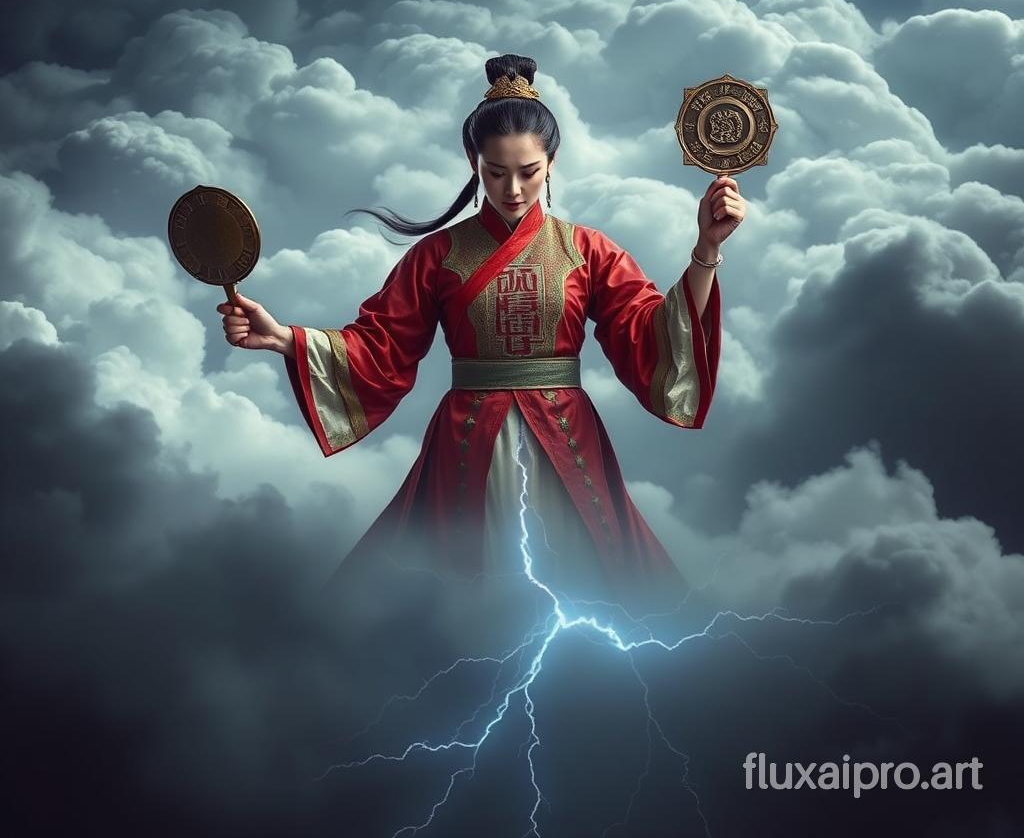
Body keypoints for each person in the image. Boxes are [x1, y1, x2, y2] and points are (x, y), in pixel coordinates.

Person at [216, 54, 745, 615]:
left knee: (596, 597)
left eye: (529, 171)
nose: (513, 189)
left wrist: (707, 250)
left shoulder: (587, 251)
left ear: (552, 162)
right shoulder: (437, 256)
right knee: (460, 601)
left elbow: (648, 334)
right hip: (467, 440)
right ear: (473, 162)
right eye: (495, 172)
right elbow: (380, 345)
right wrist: (285, 339)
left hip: (567, 437)